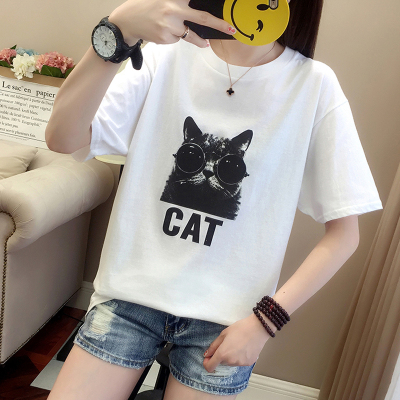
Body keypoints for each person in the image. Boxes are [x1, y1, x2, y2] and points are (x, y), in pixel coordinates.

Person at [45, 0, 383, 399]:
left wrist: (265, 323)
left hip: (228, 322)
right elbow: (63, 138)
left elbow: (344, 234)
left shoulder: (313, 86)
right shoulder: (164, 57)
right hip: (129, 299)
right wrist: (117, 32)